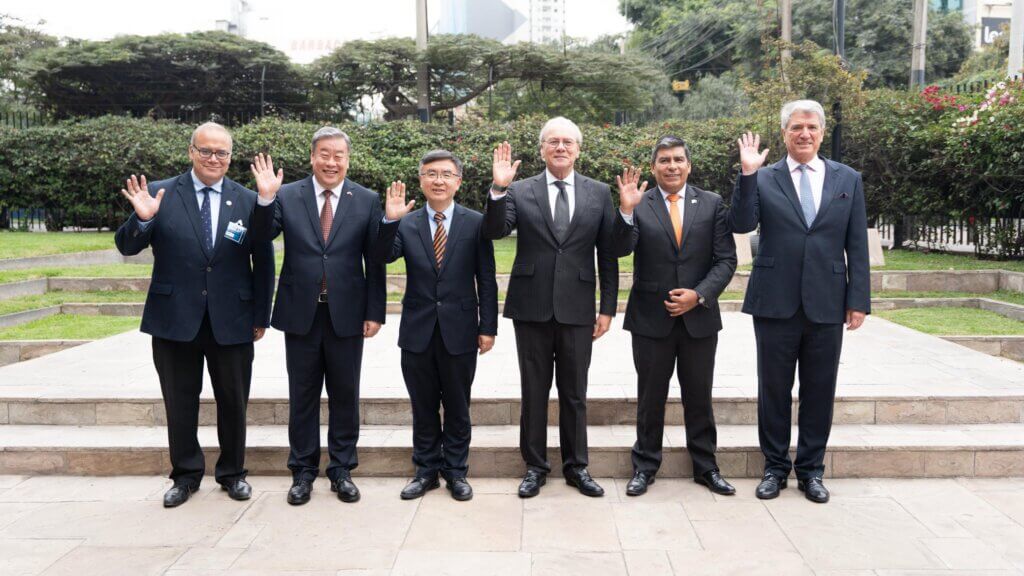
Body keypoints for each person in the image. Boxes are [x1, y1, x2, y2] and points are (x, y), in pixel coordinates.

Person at [115, 122, 274, 508]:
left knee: (234, 401)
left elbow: (264, 262)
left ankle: (233, 473)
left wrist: (260, 315)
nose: (214, 159)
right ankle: (185, 475)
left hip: (232, 319)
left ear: (230, 157)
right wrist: (144, 219)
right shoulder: (159, 193)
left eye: (221, 152)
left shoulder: (249, 199)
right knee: (179, 401)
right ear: (191, 151)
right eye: (206, 151)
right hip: (174, 318)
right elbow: (126, 245)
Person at [731, 100, 870, 504]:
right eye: (796, 127)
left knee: (820, 389)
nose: (804, 133)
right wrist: (747, 174)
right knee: (773, 389)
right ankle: (774, 467)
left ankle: (811, 470)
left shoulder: (848, 178)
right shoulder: (764, 176)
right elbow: (741, 223)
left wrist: (857, 299)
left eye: (811, 127)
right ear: (785, 133)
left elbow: (856, 245)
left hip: (828, 301)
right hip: (775, 301)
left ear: (822, 132)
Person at [248, 127, 388, 506]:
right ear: (312, 157)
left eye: (339, 155)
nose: (331, 161)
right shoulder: (287, 195)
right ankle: (303, 471)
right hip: (301, 314)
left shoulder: (366, 199)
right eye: (324, 154)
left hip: (347, 314)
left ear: (347, 159)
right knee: (303, 394)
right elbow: (260, 237)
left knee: (346, 394)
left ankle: (341, 470)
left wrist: (376, 311)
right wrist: (264, 199)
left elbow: (374, 259)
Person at [483, 117, 619, 498]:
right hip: (531, 307)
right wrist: (498, 188)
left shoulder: (599, 192)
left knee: (575, 392)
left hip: (578, 308)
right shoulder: (519, 190)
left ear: (578, 149)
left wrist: (607, 306)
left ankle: (578, 467)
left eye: (567, 142)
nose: (560, 147)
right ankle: (535, 467)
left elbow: (607, 254)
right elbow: (494, 231)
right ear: (542, 149)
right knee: (534, 390)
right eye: (553, 142)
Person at [612, 136, 738, 497]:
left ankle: (706, 467)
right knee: (650, 396)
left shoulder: (712, 204)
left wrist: (698, 295)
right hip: (651, 319)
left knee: (699, 396)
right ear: (654, 167)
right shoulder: (640, 201)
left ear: (689, 165)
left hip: (699, 319)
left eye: (678, 159)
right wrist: (625, 211)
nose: (671, 166)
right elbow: (620, 249)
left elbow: (726, 260)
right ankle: (644, 466)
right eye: (664, 160)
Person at [374, 149, 498, 502]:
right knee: (423, 405)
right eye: (431, 174)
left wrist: (487, 327)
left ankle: (456, 472)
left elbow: (486, 279)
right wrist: (389, 221)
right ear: (421, 180)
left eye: (446, 174)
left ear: (458, 181)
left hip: (460, 330)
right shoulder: (407, 221)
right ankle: (426, 470)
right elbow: (384, 256)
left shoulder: (476, 223)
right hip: (417, 330)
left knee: (458, 405)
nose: (438, 180)